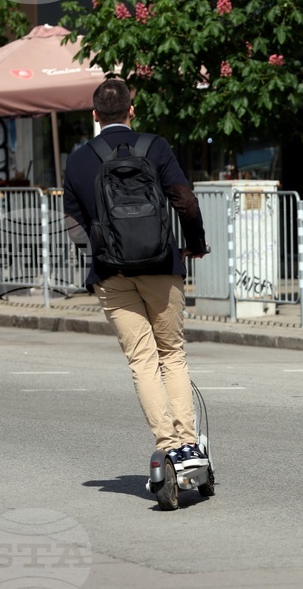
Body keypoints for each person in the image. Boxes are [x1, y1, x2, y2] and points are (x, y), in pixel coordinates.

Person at [63, 78, 209, 469]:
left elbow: (73, 226)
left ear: (95, 116)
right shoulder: (155, 147)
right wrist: (194, 242)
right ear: (132, 109)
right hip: (162, 266)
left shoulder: (77, 159)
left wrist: (100, 253)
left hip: (111, 273)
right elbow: (185, 201)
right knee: (172, 355)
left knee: (142, 361)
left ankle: (169, 445)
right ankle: (189, 445)